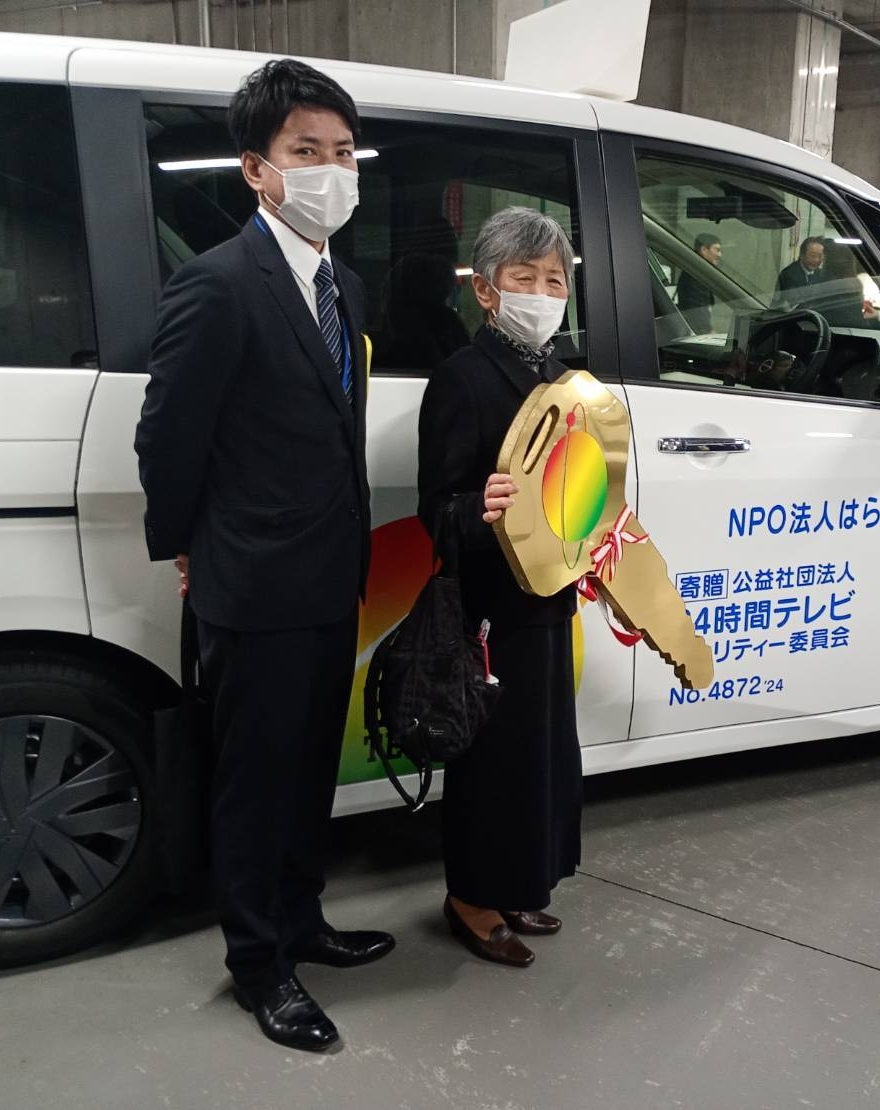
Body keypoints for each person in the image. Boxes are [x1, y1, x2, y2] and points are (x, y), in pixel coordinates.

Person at [134, 59, 392, 1054]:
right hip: (251, 578)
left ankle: (300, 917)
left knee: (309, 765)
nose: (331, 170)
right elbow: (169, 436)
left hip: (331, 572)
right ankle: (258, 963)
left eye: (344, 153)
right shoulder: (217, 284)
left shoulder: (344, 285)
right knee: (253, 778)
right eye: (306, 152)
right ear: (257, 168)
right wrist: (185, 547)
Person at [417, 206, 583, 970]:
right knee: (492, 758)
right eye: (525, 278)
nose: (542, 293)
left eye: (555, 280)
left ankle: (519, 885)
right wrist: (478, 513)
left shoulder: (563, 379)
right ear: (486, 290)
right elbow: (438, 508)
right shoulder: (463, 377)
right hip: (492, 606)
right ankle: (471, 898)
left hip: (551, 595)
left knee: (541, 754)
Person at [676, 233, 721, 333]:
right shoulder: (696, 274)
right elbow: (698, 307)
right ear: (704, 250)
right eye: (717, 250)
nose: (719, 254)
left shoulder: (695, 269)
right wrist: (707, 330)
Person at [775, 236, 827, 305]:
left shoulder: (821, 274)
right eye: (813, 255)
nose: (816, 260)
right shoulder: (788, 274)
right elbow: (796, 303)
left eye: (820, 256)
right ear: (802, 255)